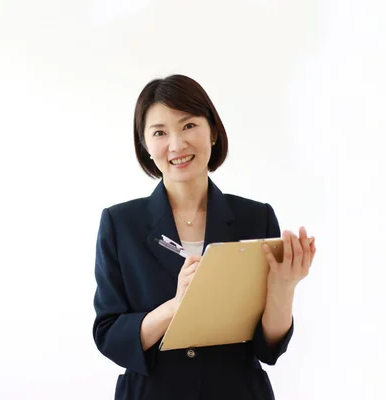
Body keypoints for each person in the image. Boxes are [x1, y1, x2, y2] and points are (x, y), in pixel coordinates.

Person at [92, 74, 317, 400]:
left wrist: (284, 288)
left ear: (212, 131)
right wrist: (175, 307)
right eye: (159, 132)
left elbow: (269, 348)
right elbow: (109, 335)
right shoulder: (120, 223)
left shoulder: (256, 217)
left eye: (188, 126)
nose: (176, 144)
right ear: (145, 145)